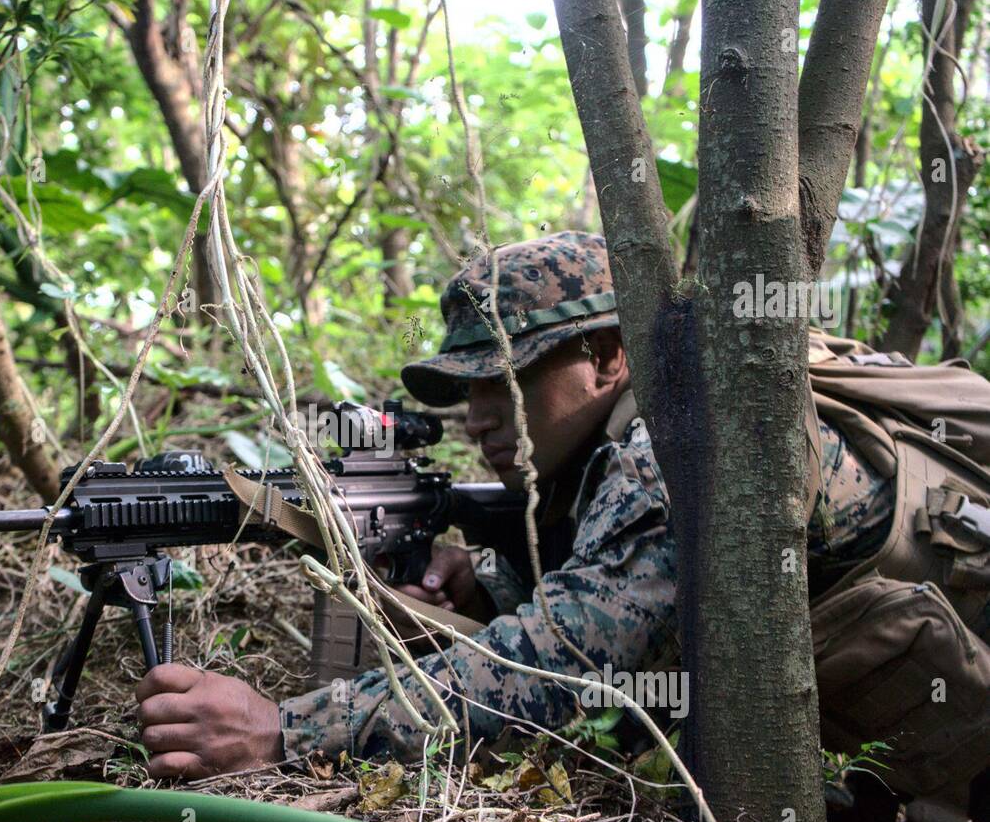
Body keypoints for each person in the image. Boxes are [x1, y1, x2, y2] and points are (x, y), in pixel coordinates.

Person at [134, 232, 897, 780]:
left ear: (607, 357)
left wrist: (283, 731)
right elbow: (618, 592)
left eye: (505, 378)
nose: (477, 416)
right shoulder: (635, 435)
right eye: (470, 389)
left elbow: (560, 671)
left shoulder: (678, 447)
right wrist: (490, 587)